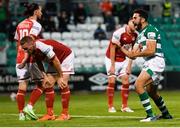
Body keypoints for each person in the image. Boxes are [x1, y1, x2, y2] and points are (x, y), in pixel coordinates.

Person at [119, 9, 173, 122]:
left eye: (135, 18)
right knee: (152, 92)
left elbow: (151, 50)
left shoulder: (150, 30)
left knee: (138, 85)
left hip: (155, 61)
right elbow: (133, 56)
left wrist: (137, 53)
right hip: (150, 61)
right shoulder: (140, 35)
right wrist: (121, 48)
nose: (133, 20)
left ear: (142, 19)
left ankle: (150, 115)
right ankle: (166, 114)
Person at [14, 3, 54, 121]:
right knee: (43, 84)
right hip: (30, 57)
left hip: (19, 57)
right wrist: (27, 58)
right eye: (40, 10)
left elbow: (18, 43)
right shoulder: (36, 24)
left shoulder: (20, 24)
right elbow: (30, 42)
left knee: (22, 86)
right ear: (36, 12)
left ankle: (21, 114)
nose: (41, 13)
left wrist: (20, 58)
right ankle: (30, 107)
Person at [20, 36, 74, 121]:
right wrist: (44, 76)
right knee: (48, 84)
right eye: (24, 49)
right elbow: (39, 62)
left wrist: (60, 76)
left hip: (65, 57)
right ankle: (50, 114)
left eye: (26, 48)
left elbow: (56, 60)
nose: (25, 51)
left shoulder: (42, 46)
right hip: (54, 61)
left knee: (63, 84)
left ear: (32, 44)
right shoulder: (32, 49)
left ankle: (65, 114)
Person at [105, 19, 137, 113]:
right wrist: (112, 66)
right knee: (112, 80)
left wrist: (129, 66)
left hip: (124, 59)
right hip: (111, 59)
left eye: (136, 24)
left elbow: (133, 52)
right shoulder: (118, 33)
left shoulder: (136, 35)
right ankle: (110, 106)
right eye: (133, 23)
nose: (135, 25)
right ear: (128, 23)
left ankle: (124, 106)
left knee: (126, 81)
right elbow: (112, 48)